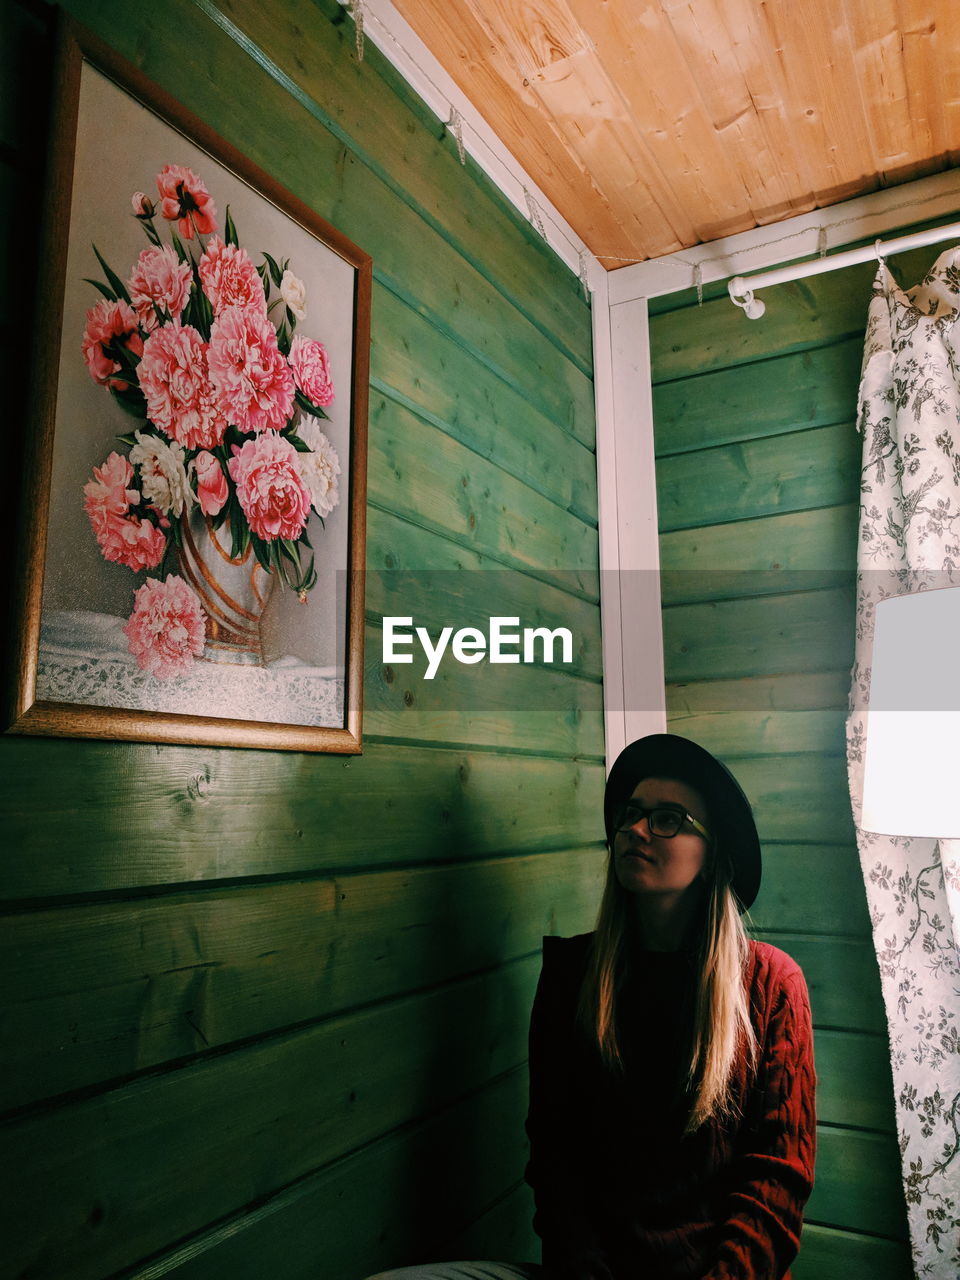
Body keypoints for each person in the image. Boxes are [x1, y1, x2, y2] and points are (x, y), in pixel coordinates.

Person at [365, 734, 817, 1280]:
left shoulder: (771, 983)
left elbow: (777, 1181)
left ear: (712, 852)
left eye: (668, 819)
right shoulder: (573, 975)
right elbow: (556, 1162)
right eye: (632, 813)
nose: (635, 829)